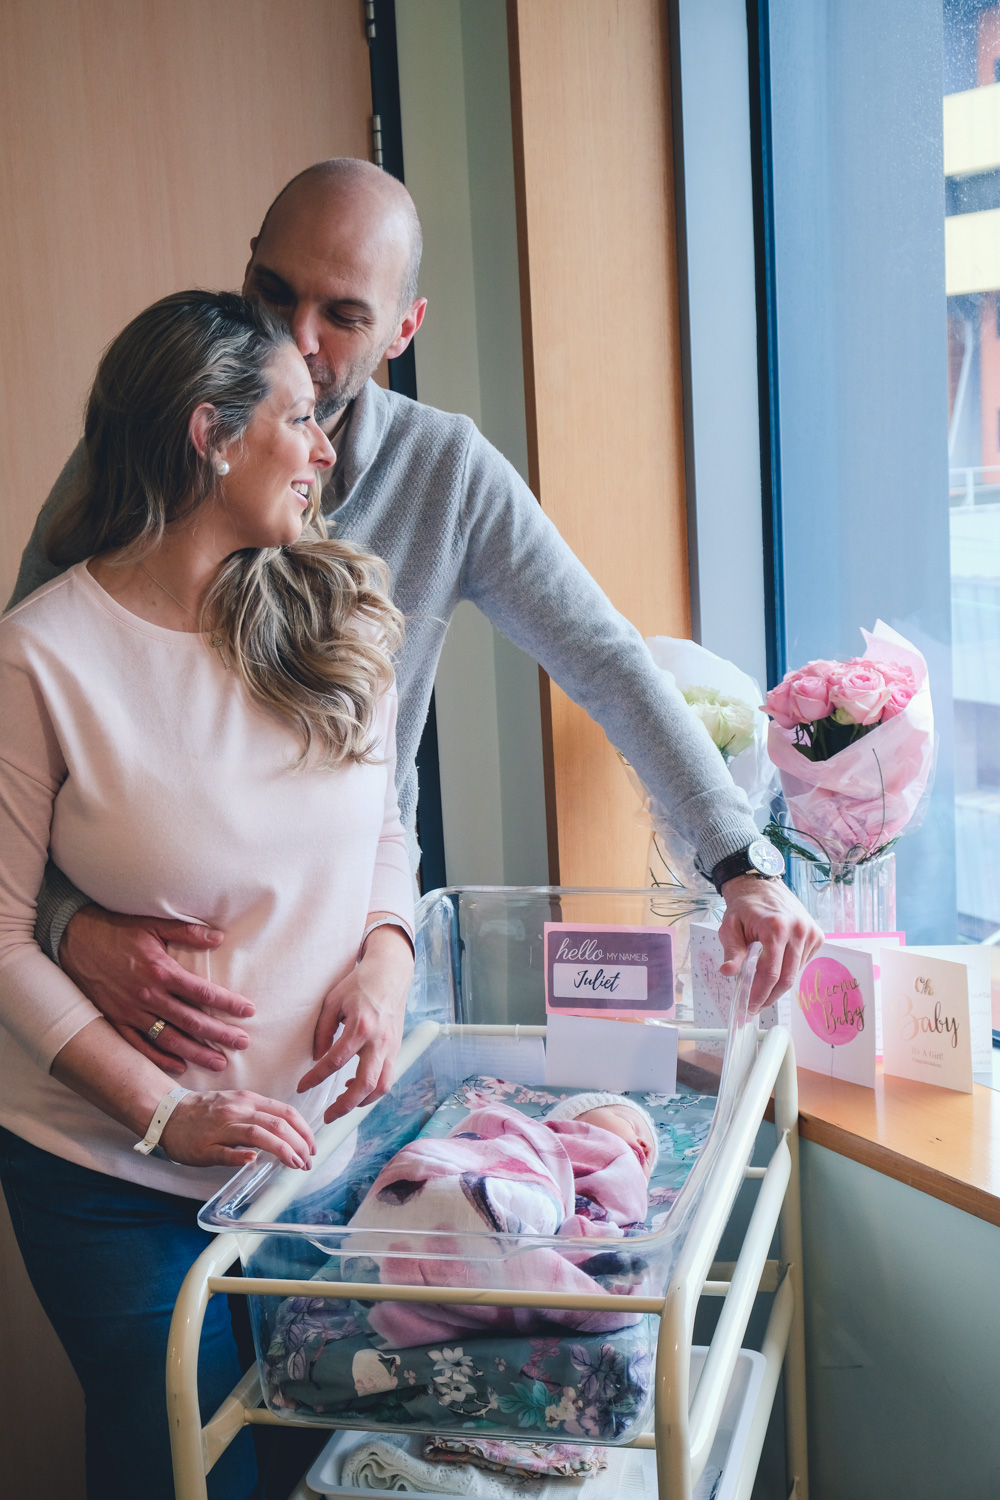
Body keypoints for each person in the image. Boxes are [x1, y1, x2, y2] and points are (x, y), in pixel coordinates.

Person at [9, 158, 822, 1108]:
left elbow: (608, 661)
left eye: (343, 315)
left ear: (404, 327)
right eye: (272, 295)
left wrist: (739, 864)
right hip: (127, 1051)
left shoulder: (446, 473)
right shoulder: (149, 457)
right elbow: (29, 711)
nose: (296, 340)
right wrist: (67, 927)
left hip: (346, 1020)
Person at [0, 290, 416, 1499]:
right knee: (186, 1469)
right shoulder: (44, 655)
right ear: (210, 434)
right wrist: (161, 1114)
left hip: (317, 1161)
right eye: (300, 418)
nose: (329, 448)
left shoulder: (334, 611)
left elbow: (382, 829)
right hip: (112, 1181)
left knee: (317, 1466)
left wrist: (384, 964)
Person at [342, 1092, 658, 1348]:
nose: (642, 1144)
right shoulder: (577, 1145)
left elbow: (587, 1213)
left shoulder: (617, 1167)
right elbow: (594, 1228)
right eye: (628, 1121)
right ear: (566, 1122)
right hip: (469, 1181)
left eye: (648, 1157)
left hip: (386, 1233)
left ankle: (409, 1296)